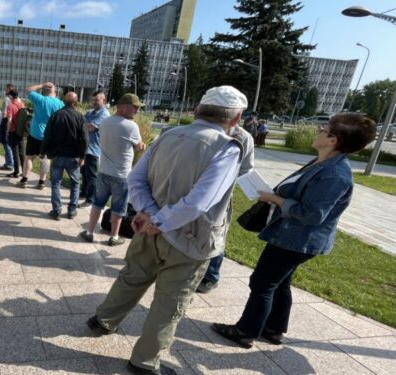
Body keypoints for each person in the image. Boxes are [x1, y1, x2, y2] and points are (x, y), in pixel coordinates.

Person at [87, 86, 249, 375]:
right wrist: (157, 220)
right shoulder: (227, 148)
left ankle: (104, 319)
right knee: (170, 301)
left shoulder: (169, 135)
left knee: (132, 277)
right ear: (235, 119)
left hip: (151, 229)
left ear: (198, 110)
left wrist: (149, 215)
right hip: (189, 239)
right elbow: (200, 202)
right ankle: (144, 361)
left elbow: (136, 179)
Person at [211, 113, 376, 350]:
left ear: (333, 140)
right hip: (292, 236)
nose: (318, 130)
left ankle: (244, 332)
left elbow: (311, 215)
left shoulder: (334, 174)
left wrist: (275, 199)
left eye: (324, 128)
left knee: (262, 283)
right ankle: (273, 329)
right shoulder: (322, 162)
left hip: (297, 239)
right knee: (279, 282)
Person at [196, 125, 256, 294]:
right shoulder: (205, 129)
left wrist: (222, 176)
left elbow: (246, 169)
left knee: (216, 233)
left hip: (220, 194)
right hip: (195, 189)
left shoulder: (242, 137)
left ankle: (211, 276)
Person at [80, 93, 145, 246]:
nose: (136, 111)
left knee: (97, 203)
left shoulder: (105, 122)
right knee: (118, 207)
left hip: (103, 171)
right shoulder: (131, 126)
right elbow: (138, 147)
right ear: (123, 108)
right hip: (121, 175)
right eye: (134, 107)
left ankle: (89, 232)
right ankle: (114, 237)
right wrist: (142, 146)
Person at [42, 92, 88, 221]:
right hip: (73, 157)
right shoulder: (80, 117)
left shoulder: (55, 115)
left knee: (55, 184)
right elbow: (84, 138)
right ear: (75, 103)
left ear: (64, 102)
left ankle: (56, 210)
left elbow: (47, 136)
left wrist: (43, 151)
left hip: (57, 156)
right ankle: (72, 211)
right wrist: (82, 156)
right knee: (75, 184)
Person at [18, 82, 64, 189]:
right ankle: (41, 182)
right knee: (46, 159)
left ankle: (24, 180)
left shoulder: (40, 99)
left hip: (35, 133)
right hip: (50, 136)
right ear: (55, 92)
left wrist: (42, 85)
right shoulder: (60, 104)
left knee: (29, 157)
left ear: (44, 91)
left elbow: (28, 89)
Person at [79, 90, 110, 208]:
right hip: (86, 148)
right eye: (93, 100)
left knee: (92, 175)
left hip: (94, 150)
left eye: (97, 100)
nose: (94, 102)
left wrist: (82, 125)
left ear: (104, 101)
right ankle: (83, 193)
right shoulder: (91, 112)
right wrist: (83, 125)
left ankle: (90, 199)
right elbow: (83, 124)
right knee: (84, 173)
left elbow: (90, 128)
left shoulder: (104, 115)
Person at [5, 90, 26, 178]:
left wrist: (7, 131)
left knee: (15, 152)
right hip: (21, 131)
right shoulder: (22, 105)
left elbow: (9, 120)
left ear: (11, 96)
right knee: (22, 153)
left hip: (13, 131)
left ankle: (16, 172)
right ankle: (24, 172)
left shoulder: (10, 106)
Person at [0, 83, 15, 171]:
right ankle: (9, 162)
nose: (4, 91)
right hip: (13, 123)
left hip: (6, 122)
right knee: (9, 143)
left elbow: (4, 113)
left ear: (9, 89)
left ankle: (9, 164)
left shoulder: (6, 99)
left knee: (6, 143)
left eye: (6, 89)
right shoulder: (16, 99)